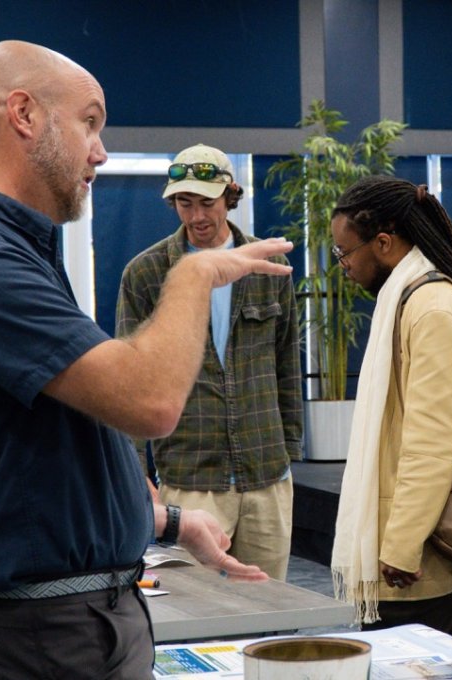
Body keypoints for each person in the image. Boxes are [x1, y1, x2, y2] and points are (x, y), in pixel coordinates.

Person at [0, 40, 288, 679]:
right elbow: (149, 402)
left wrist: (172, 522)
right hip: (44, 641)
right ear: (24, 114)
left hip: (71, 628)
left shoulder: (12, 250)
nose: (100, 150)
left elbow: (47, 466)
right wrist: (194, 275)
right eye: (90, 122)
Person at [329, 176, 452, 641]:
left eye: (343, 252)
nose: (343, 265)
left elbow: (431, 444)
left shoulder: (432, 310)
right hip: (405, 549)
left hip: (416, 560)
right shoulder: (410, 300)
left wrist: (403, 546)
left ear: (384, 243)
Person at [116, 144, 301, 581]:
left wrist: (290, 452)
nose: (196, 216)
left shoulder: (266, 263)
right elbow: (127, 379)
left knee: (268, 607)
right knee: (200, 614)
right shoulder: (146, 273)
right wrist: (137, 476)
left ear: (230, 196)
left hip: (266, 474)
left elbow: (286, 364)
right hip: (191, 474)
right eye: (185, 202)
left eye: (207, 203)